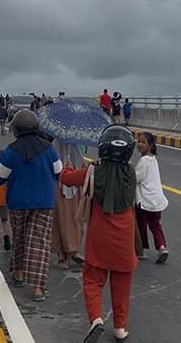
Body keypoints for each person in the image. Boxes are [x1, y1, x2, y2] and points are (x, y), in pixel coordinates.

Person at [59, 125, 138, 343]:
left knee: (93, 280)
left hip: (99, 235)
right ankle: (120, 328)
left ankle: (96, 319)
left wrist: (66, 168)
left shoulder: (93, 172)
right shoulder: (131, 172)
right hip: (124, 238)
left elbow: (66, 179)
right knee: (122, 283)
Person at [0, 110, 63, 302]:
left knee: (20, 237)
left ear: (15, 129)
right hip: (44, 203)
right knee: (40, 243)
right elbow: (59, 173)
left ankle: (18, 273)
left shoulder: (10, 151)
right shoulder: (49, 149)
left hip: (17, 203)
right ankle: (38, 289)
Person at [135, 132, 169, 263]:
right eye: (139, 141)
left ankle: (141, 250)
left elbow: (138, 178)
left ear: (150, 145)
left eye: (143, 142)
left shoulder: (143, 161)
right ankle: (162, 247)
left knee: (141, 225)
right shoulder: (153, 159)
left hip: (144, 200)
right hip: (156, 199)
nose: (140, 144)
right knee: (155, 225)